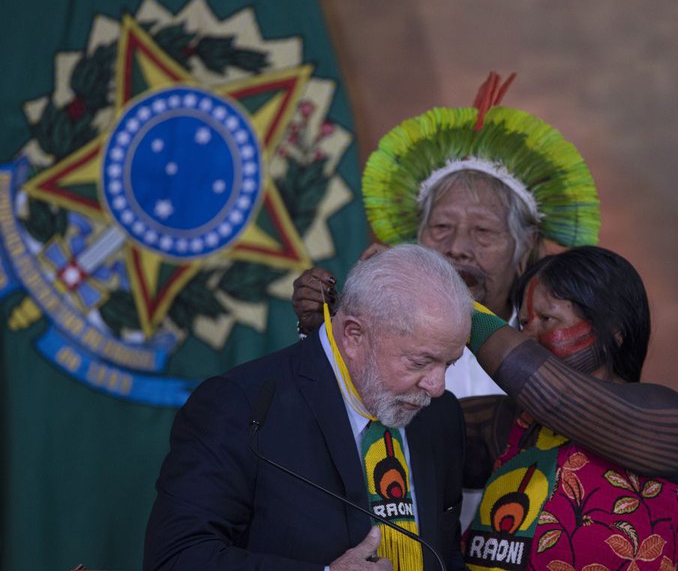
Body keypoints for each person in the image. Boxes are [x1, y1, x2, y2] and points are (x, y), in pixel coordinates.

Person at [291, 72, 601, 529]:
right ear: (417, 236)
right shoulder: (379, 331)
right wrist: (323, 331)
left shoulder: (555, 340)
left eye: (484, 232)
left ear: (525, 246)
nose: (457, 248)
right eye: (441, 228)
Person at [143, 244, 474, 571]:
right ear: (354, 335)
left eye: (449, 363)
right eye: (420, 362)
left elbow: (444, 555)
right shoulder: (240, 406)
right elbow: (176, 558)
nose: (437, 386)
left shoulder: (440, 415)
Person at [461, 246, 678, 570]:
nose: (526, 336)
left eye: (547, 319)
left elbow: (554, 397)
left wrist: (451, 301)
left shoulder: (670, 422)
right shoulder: (506, 422)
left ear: (614, 330)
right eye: (524, 323)